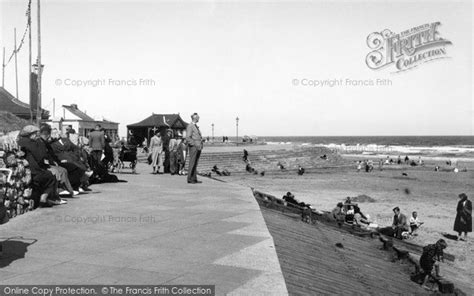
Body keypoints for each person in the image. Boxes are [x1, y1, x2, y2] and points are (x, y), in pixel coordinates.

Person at [17, 125, 61, 207]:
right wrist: (40, 145)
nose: (37, 135)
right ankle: (44, 198)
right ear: (31, 134)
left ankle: (43, 199)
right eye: (35, 134)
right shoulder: (31, 143)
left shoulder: (20, 141)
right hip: (34, 171)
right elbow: (40, 156)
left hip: (26, 170)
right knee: (51, 177)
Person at [186, 113, 203, 184]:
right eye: (198, 117)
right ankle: (190, 178)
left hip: (198, 147)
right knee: (192, 162)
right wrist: (194, 144)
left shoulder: (195, 126)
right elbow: (188, 137)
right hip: (194, 147)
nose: (199, 118)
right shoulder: (191, 126)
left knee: (195, 163)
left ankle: (194, 178)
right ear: (194, 118)